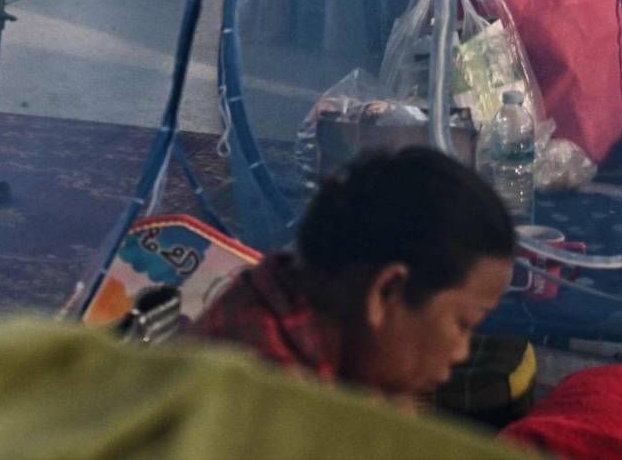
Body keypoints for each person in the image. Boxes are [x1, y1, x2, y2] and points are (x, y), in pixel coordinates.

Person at [194, 148, 516, 400]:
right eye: (464, 324)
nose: (461, 353)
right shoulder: (273, 400)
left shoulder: (282, 289)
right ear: (386, 292)